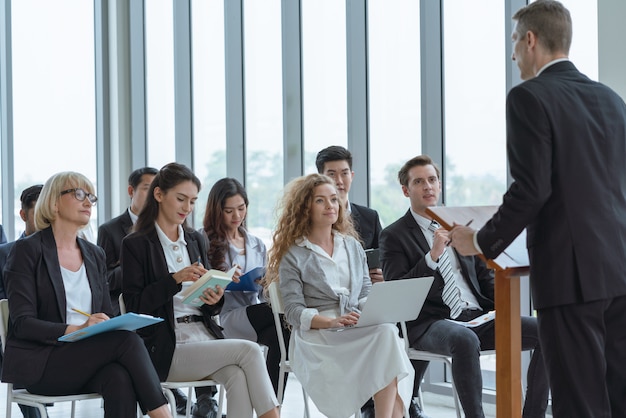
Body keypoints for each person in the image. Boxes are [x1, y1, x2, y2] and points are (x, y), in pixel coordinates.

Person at [448, 1, 626, 417]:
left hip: (570, 276)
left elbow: (531, 191)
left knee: (578, 401)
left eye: (514, 41)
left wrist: (478, 241)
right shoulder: (611, 100)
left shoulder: (529, 97)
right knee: (618, 396)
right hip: (618, 270)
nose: (513, 54)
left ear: (530, 40)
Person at [379, 155, 549, 418]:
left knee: (546, 331)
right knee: (464, 340)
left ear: (440, 184)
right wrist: (432, 257)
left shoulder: (458, 225)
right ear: (405, 190)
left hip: (476, 316)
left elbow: (484, 277)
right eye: (419, 182)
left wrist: (503, 309)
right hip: (429, 322)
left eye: (432, 180)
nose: (428, 186)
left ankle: (532, 415)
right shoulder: (394, 235)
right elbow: (398, 290)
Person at [1, 172, 172, 418]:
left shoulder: (94, 254)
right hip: (42, 363)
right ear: (54, 202)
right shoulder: (26, 251)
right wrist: (79, 328)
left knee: (119, 378)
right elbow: (23, 324)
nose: (88, 202)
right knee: (127, 341)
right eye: (78, 194)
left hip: (87, 358)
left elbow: (105, 313)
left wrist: (110, 323)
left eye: (90, 196)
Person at [120, 163, 279, 418]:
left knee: (237, 376)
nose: (187, 208)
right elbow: (135, 305)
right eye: (181, 199)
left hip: (203, 336)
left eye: (193, 201)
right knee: (249, 351)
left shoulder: (195, 239)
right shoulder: (136, 244)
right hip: (167, 347)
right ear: (159, 195)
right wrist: (174, 280)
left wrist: (213, 298)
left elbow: (208, 306)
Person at [265, 173, 413, 418]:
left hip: (354, 325)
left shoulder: (352, 246)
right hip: (318, 335)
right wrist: (330, 322)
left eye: (334, 199)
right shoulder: (294, 254)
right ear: (305, 208)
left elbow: (364, 291)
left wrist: (375, 309)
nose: (330, 206)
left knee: (386, 332)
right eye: (320, 201)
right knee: (387, 344)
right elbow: (293, 311)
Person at [316, 146, 429, 418]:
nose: (339, 181)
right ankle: (374, 404)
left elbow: (383, 261)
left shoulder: (368, 216)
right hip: (335, 308)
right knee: (383, 336)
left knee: (409, 321)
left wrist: (381, 276)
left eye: (344, 173)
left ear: (352, 176)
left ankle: (405, 397)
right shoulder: (317, 221)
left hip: (368, 297)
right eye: (332, 174)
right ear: (319, 179)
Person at [201, 177, 286, 395]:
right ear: (217, 210)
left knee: (282, 335)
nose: (237, 216)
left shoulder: (256, 243)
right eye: (229, 211)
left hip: (254, 313)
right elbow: (198, 286)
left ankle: (274, 406)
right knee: (281, 315)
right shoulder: (203, 241)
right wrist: (223, 279)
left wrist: (267, 282)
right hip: (223, 317)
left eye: (241, 208)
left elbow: (265, 292)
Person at [0, 184, 44, 418]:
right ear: (23, 215)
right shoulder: (5, 253)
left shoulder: (66, 254)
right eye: (39, 211)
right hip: (17, 330)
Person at [98, 167, 157, 316]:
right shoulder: (109, 230)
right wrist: (133, 262)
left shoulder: (166, 229)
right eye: (147, 188)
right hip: (128, 309)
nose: (153, 195)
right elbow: (105, 280)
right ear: (131, 191)